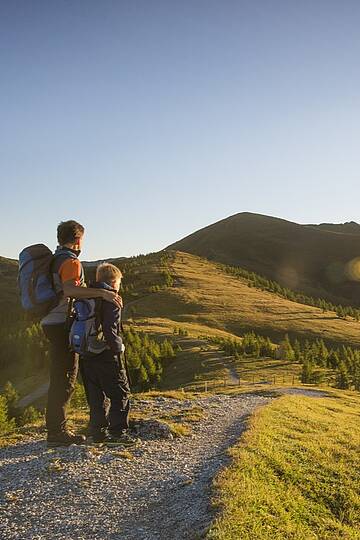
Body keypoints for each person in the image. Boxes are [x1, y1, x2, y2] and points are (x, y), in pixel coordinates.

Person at [41, 220, 122, 447]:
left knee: (61, 375)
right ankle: (57, 433)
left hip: (50, 321)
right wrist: (102, 294)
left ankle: (56, 428)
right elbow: (70, 290)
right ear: (78, 239)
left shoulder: (54, 258)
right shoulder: (70, 261)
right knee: (65, 378)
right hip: (61, 324)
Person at [79, 263, 134, 446]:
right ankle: (118, 434)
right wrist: (119, 348)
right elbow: (110, 329)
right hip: (106, 353)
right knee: (120, 393)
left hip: (86, 353)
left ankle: (97, 433)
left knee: (96, 396)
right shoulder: (112, 299)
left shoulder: (85, 295)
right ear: (113, 281)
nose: (119, 286)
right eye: (118, 282)